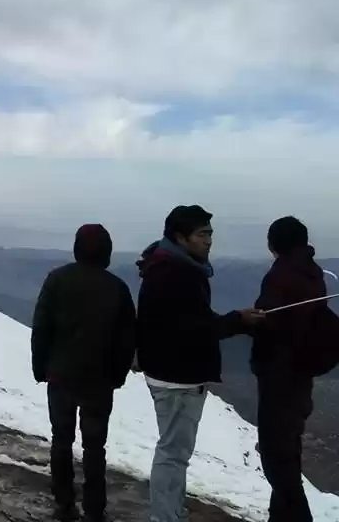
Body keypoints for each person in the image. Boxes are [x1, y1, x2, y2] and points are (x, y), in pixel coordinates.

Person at [135, 205, 264, 522]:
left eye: (210, 234)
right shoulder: (175, 274)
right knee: (173, 455)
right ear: (180, 238)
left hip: (170, 372)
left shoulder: (169, 267)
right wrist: (239, 320)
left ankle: (171, 513)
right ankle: (166, 517)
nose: (209, 241)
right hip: (176, 378)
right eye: (202, 234)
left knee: (174, 453)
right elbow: (195, 328)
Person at [31, 224, 136, 522]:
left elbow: (41, 328)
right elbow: (127, 339)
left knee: (61, 439)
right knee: (94, 447)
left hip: (60, 377)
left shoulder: (57, 280)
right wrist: (117, 376)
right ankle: (94, 509)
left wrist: (41, 368)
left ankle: (64, 503)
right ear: (108, 253)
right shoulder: (117, 288)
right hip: (99, 382)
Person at [251, 217, 339, 522]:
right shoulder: (313, 273)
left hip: (280, 378)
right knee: (287, 456)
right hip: (300, 378)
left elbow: (273, 324)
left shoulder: (282, 276)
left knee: (279, 465)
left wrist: (248, 321)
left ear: (272, 244)